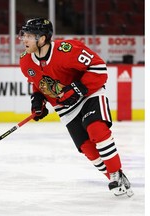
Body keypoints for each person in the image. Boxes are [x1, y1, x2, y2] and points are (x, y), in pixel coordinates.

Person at [18, 18, 133, 197]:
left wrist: (78, 88)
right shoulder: (25, 61)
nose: (24, 39)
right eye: (23, 35)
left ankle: (116, 174)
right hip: (66, 108)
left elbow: (99, 68)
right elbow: (38, 84)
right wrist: (38, 99)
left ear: (42, 39)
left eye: (29, 35)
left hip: (89, 95)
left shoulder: (67, 50)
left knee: (97, 130)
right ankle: (113, 175)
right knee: (89, 150)